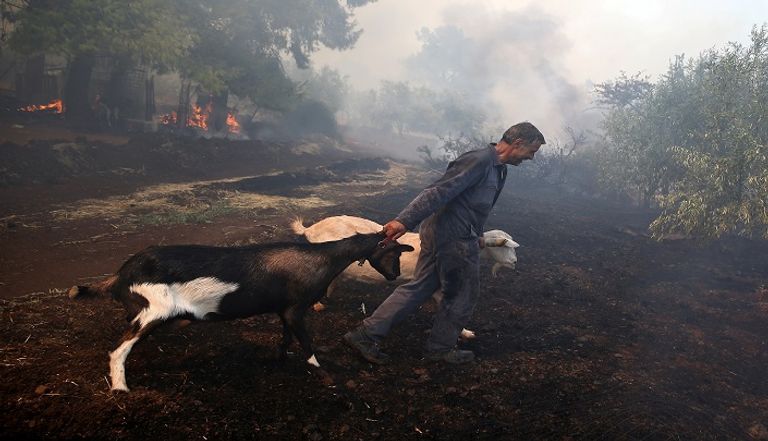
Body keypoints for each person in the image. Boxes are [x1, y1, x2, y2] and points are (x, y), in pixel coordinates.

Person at [344, 122, 545, 364]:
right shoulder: (479, 161)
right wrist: (403, 221)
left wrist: (477, 234)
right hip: (452, 239)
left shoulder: (498, 169)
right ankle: (440, 349)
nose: (531, 158)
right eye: (531, 151)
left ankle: (365, 334)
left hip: (453, 234)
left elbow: (475, 207)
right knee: (462, 293)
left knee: (420, 286)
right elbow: (438, 192)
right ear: (518, 143)